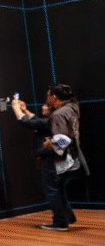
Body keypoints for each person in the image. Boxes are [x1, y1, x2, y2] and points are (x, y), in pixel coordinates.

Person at [32, 84, 89, 230]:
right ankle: (67, 216)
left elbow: (62, 141)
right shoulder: (72, 108)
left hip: (57, 159)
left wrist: (48, 144)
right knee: (58, 189)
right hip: (70, 156)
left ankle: (60, 221)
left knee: (52, 190)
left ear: (54, 97)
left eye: (48, 96)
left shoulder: (58, 115)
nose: (47, 99)